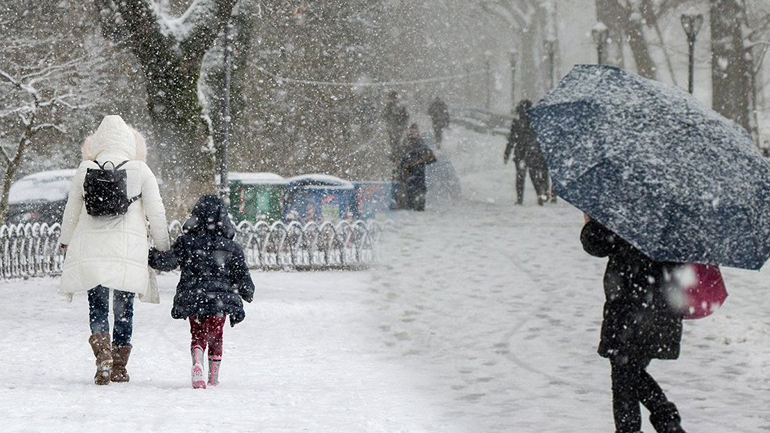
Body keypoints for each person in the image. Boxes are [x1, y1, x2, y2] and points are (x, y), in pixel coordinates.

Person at [59, 115, 171, 385]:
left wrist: (66, 241)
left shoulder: (85, 168)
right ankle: (119, 364)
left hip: (91, 249)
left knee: (97, 305)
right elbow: (157, 213)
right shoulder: (141, 170)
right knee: (124, 308)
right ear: (130, 144)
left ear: (97, 142)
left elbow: (71, 210)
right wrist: (164, 247)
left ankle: (102, 354)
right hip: (128, 250)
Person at [580, 215, 686, 433]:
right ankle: (667, 423)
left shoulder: (627, 209)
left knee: (624, 372)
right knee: (629, 371)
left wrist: (590, 223)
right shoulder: (675, 214)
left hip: (629, 304)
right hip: (663, 301)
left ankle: (660, 424)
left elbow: (597, 243)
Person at [150, 194, 255, 389]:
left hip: (194, 297)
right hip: (220, 301)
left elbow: (168, 262)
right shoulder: (231, 247)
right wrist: (247, 291)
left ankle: (197, 361)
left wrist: (151, 256)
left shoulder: (186, 242)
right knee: (216, 335)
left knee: (197, 333)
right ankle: (213, 377)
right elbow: (242, 276)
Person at [504, 99, 550, 205]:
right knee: (534, 176)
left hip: (520, 153)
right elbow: (539, 138)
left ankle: (520, 199)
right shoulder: (534, 122)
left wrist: (507, 153)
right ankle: (540, 195)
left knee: (520, 177)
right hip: (532, 152)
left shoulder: (517, 123)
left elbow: (511, 140)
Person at [397, 123, 437, 211]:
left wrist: (418, 160)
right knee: (407, 202)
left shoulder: (421, 144)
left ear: (418, 132)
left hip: (418, 176)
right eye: (410, 131)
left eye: (414, 131)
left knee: (419, 200)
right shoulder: (403, 144)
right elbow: (399, 159)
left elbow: (431, 158)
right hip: (406, 177)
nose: (412, 133)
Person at [383, 90, 409, 174]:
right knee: (394, 142)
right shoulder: (391, 105)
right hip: (394, 128)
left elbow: (405, 116)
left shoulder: (397, 106)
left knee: (396, 142)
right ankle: (395, 156)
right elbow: (385, 116)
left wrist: (402, 126)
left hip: (396, 128)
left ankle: (396, 157)